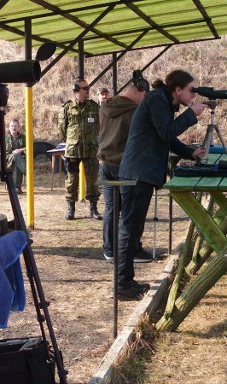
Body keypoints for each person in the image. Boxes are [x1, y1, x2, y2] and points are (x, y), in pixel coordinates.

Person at [116, 69, 206, 300]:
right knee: (129, 229)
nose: (193, 95)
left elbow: (165, 137)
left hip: (141, 172)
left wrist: (190, 152)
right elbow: (167, 131)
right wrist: (191, 114)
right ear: (178, 89)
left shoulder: (162, 101)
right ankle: (122, 284)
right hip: (138, 172)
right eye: (190, 90)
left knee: (133, 229)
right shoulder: (157, 99)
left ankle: (126, 281)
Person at [96, 71, 149, 263]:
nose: (143, 100)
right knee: (129, 210)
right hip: (124, 166)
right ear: (138, 91)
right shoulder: (135, 111)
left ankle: (109, 249)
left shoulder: (104, 106)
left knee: (111, 208)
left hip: (104, 164)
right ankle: (131, 250)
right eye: (143, 95)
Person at [58, 78, 101, 220]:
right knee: (71, 181)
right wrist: (71, 141)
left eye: (88, 87)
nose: (88, 90)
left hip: (90, 149)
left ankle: (93, 208)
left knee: (93, 180)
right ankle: (71, 209)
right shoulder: (67, 108)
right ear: (76, 90)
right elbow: (62, 130)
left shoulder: (94, 107)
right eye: (85, 88)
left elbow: (99, 126)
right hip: (73, 151)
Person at [5, 118, 27, 194]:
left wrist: (21, 150)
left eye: (15, 126)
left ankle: (17, 187)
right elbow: (1, 150)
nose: (13, 128)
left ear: (18, 127)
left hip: (20, 159)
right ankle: (27, 171)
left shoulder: (23, 137)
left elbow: (29, 147)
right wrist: (13, 152)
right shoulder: (5, 137)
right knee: (16, 157)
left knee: (18, 159)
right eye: (12, 126)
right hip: (7, 158)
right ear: (9, 127)